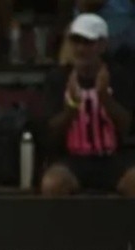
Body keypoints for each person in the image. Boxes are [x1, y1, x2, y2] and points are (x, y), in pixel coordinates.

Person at [41, 13, 135, 196]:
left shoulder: (120, 76)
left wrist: (105, 99)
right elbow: (50, 132)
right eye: (76, 41)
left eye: (87, 42)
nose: (80, 48)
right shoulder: (58, 79)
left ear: (102, 45)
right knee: (53, 184)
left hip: (115, 157)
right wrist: (71, 109)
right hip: (72, 159)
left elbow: (127, 128)